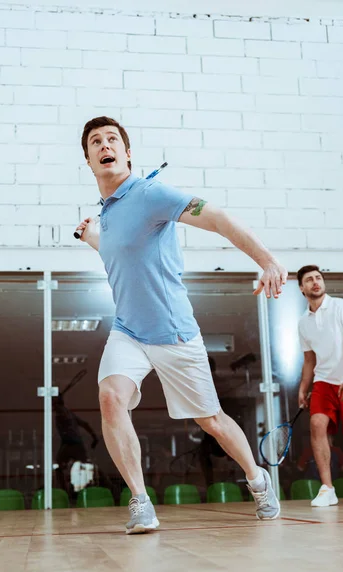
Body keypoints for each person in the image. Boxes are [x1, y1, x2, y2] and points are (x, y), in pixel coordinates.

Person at [75, 116, 288, 534]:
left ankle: (258, 480)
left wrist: (268, 261)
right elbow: (123, 258)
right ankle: (141, 501)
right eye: (96, 142)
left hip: (173, 332)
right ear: (88, 160)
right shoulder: (110, 213)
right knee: (110, 397)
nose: (105, 145)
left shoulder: (151, 194)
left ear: (127, 152)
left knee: (211, 421)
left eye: (113, 139)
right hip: (128, 331)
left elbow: (219, 218)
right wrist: (92, 238)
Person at [297, 265, 343, 507]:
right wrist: (303, 387)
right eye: (309, 280)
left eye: (318, 278)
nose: (315, 282)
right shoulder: (303, 323)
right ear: (302, 288)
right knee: (316, 424)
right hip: (323, 382)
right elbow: (309, 359)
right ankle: (327, 488)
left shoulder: (342, 307)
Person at [53, 394, 99, 493]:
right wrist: (94, 437)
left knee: (86, 466)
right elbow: (84, 424)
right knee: (59, 467)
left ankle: (67, 490)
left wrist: (94, 437)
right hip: (69, 443)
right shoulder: (66, 412)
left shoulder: (63, 412)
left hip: (72, 443)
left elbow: (84, 424)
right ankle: (65, 490)